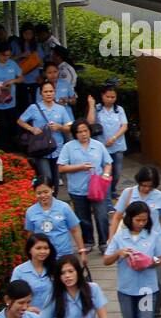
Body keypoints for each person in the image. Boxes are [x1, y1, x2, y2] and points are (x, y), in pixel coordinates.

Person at [109, 166, 161, 318]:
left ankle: (157, 315)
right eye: (143, 185)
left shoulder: (159, 197)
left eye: (150, 186)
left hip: (153, 244)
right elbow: (117, 216)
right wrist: (111, 239)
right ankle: (137, 315)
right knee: (132, 278)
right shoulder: (129, 193)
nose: (146, 188)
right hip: (130, 243)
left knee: (157, 281)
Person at [105, 200, 161, 318]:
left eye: (144, 220)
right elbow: (106, 260)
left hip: (147, 289)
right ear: (130, 219)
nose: (141, 223)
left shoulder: (153, 236)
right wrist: (119, 254)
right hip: (126, 288)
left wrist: (149, 261)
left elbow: (160, 258)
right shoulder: (120, 237)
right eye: (138, 220)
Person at [58, 120, 113, 254]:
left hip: (97, 187)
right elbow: (61, 167)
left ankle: (104, 242)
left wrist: (105, 174)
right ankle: (88, 241)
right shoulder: (68, 147)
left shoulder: (98, 145)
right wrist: (80, 167)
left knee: (102, 216)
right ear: (75, 134)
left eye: (85, 131)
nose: (83, 134)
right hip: (78, 189)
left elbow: (108, 163)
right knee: (83, 218)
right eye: (80, 132)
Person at [18, 80, 74, 188]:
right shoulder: (34, 108)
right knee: (47, 178)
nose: (49, 94)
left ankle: (54, 200)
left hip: (58, 148)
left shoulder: (61, 109)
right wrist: (32, 129)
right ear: (41, 93)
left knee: (57, 179)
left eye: (51, 91)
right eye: (46, 92)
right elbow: (20, 121)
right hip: (41, 148)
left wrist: (59, 127)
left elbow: (69, 128)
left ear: (54, 92)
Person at [25, 176, 87, 267]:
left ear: (52, 189)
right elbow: (30, 235)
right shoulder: (30, 212)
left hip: (64, 254)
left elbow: (75, 230)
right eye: (39, 193)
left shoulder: (64, 207)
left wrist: (82, 251)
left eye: (46, 192)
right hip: (43, 256)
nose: (43, 196)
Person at [88, 86, 129, 196]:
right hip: (102, 145)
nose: (110, 99)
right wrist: (91, 106)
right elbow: (90, 122)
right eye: (108, 96)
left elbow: (124, 126)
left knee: (117, 171)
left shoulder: (119, 109)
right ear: (102, 96)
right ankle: (105, 191)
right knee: (105, 171)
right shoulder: (97, 108)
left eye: (113, 97)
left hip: (117, 145)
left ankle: (113, 189)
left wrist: (114, 138)